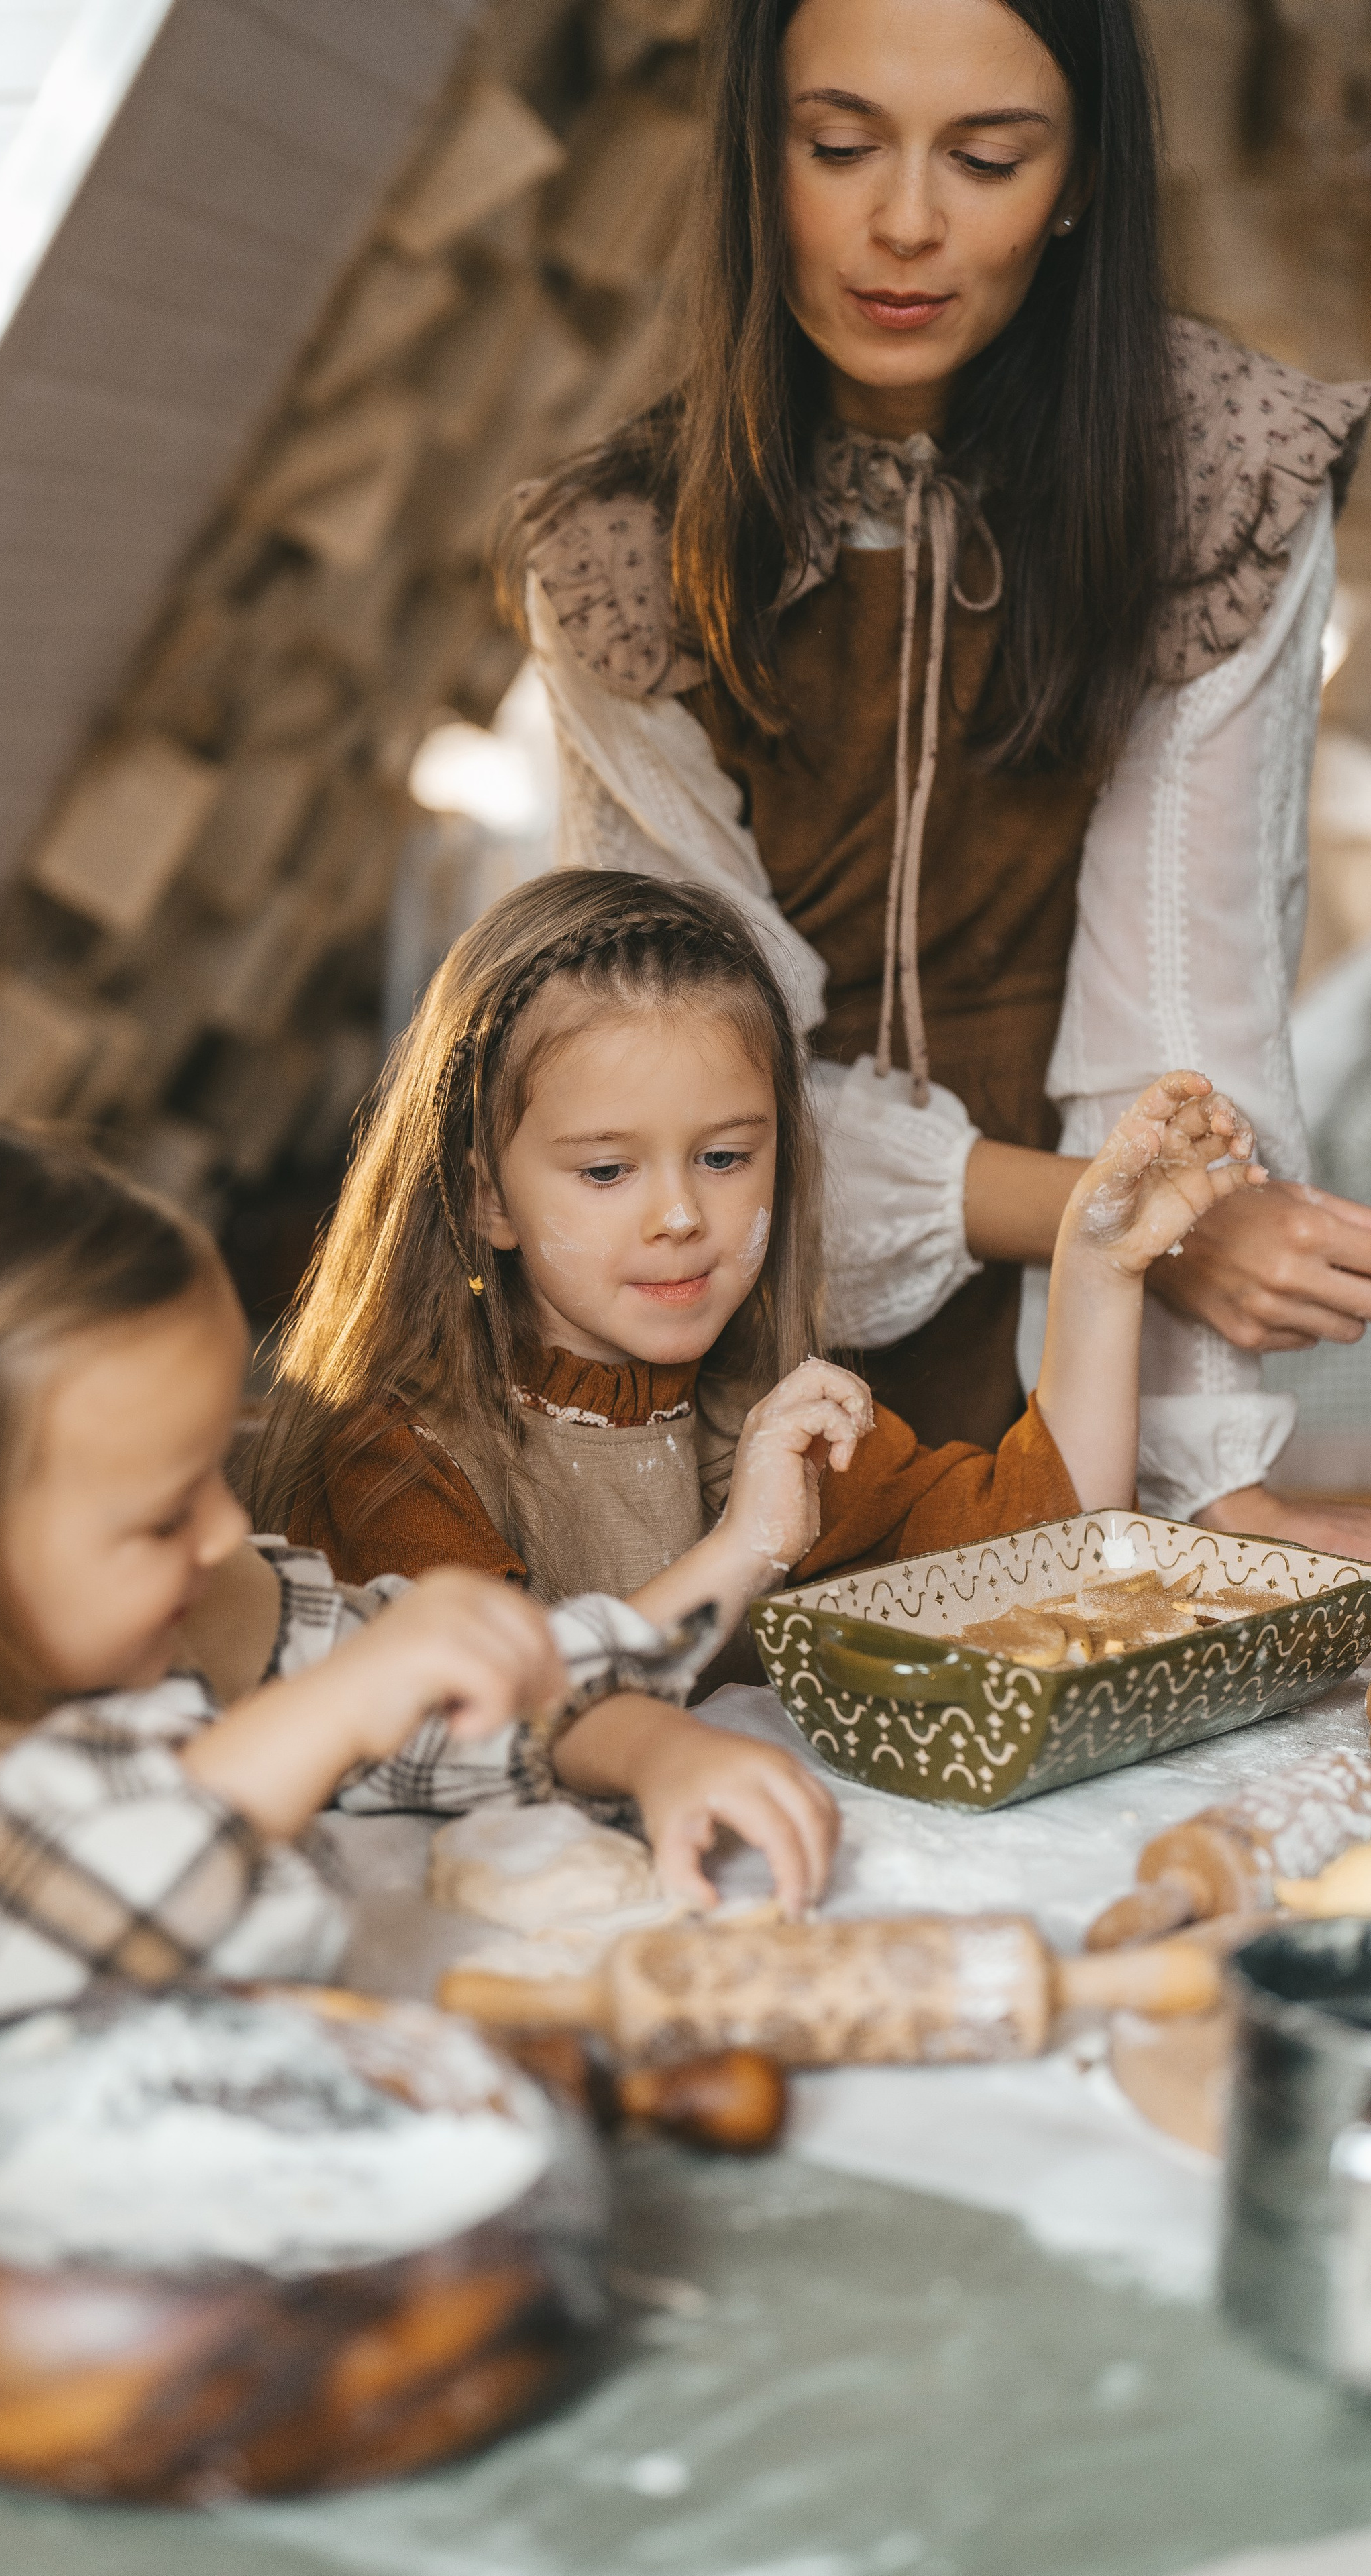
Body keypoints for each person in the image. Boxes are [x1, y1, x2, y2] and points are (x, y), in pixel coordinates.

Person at [507, 0, 1371, 1553]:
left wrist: (1203, 1481)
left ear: (1082, 177)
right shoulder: (622, 552)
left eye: (984, 158)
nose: (901, 224)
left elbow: (1182, 1012)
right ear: (752, 155)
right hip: (697, 1341)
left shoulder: (1216, 481)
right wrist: (1136, 1227)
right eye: (837, 146)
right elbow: (678, 1087)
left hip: (1067, 1361)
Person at [0, 1122, 840, 2022]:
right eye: (164, 1514)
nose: (228, 1531)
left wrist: (652, 1747)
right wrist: (318, 1719)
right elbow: (58, 1922)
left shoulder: (174, 1625)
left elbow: (442, 1692)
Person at [254, 875, 1262, 1652]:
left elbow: (1047, 1553)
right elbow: (510, 1728)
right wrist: (745, 1550)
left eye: (726, 1157)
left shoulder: (773, 1425)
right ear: (485, 1197)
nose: (683, 1214)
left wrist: (1101, 1265)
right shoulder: (397, 1462)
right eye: (608, 1170)